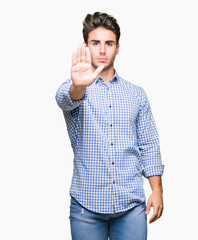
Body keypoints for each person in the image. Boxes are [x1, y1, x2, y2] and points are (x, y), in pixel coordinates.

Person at [55, 12, 164, 240]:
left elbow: (149, 143)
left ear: (118, 47)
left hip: (131, 206)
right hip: (87, 207)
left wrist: (157, 189)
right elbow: (65, 99)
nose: (102, 50)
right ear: (86, 46)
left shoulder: (136, 94)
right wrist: (78, 85)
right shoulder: (76, 88)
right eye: (96, 43)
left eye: (109, 43)